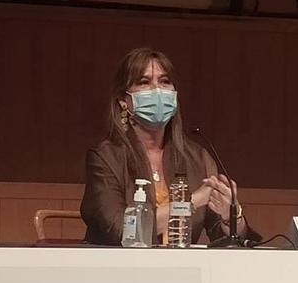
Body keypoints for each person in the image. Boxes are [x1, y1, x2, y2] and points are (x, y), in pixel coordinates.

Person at [81, 48, 257, 246]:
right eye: (144, 82)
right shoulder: (106, 157)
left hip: (182, 269)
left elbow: (231, 240)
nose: (157, 90)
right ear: (124, 101)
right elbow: (118, 231)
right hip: (121, 270)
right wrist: (192, 201)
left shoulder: (197, 157)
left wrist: (230, 215)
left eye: (165, 81)